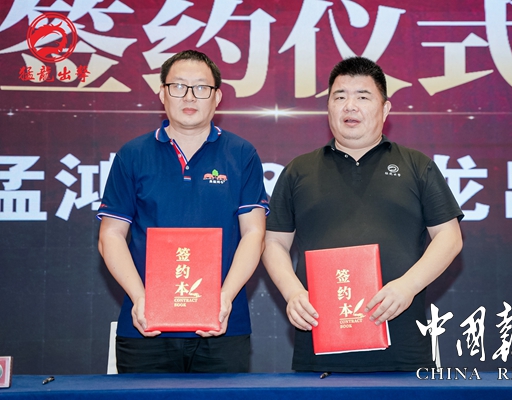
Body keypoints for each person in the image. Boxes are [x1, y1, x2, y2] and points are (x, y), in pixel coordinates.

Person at [262, 56, 463, 372]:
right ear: (328, 108)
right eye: (339, 97)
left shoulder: (416, 165)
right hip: (319, 341)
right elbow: (274, 242)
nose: (349, 106)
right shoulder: (298, 171)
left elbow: (449, 237)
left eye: (363, 97)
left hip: (402, 344)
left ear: (385, 109)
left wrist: (408, 286)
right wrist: (293, 292)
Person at [97, 50, 268, 373]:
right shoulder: (132, 154)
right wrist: (139, 297)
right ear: (162, 93)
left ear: (217, 97)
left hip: (222, 325)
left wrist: (225, 297)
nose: (189, 96)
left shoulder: (241, 153)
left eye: (201, 87)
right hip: (146, 326)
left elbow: (254, 234)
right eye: (178, 86)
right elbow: (111, 235)